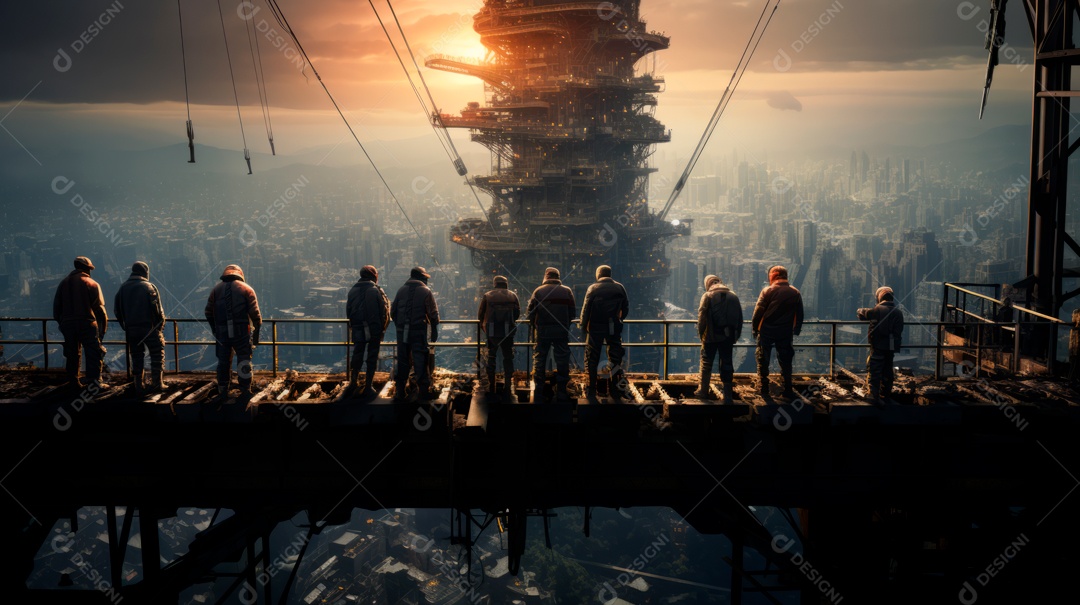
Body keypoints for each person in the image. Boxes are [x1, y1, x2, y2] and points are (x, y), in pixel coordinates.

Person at [205, 264, 262, 400]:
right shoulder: (246, 289)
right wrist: (256, 335)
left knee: (223, 361)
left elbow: (208, 312)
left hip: (222, 332)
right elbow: (256, 315)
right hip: (241, 331)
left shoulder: (216, 289)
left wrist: (215, 329)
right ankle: (245, 389)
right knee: (243, 359)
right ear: (240, 274)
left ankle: (223, 389)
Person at [53, 256, 108, 391]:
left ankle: (74, 381)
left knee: (72, 353)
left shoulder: (63, 283)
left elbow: (56, 309)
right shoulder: (91, 283)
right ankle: (94, 382)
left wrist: (62, 323)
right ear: (86, 268)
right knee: (93, 352)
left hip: (67, 325)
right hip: (87, 323)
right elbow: (100, 310)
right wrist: (102, 329)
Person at [751, 265, 804, 400]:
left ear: (773, 276)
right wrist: (796, 329)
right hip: (785, 331)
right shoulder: (795, 292)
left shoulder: (767, 291)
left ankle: (763, 387)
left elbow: (758, 312)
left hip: (767, 331)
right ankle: (787, 388)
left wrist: (755, 328)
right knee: (786, 360)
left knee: (763, 358)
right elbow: (800, 314)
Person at [114, 261, 166, 395]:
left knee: (136, 355)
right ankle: (157, 383)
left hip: (132, 329)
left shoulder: (123, 288)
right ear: (145, 272)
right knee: (157, 354)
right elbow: (157, 310)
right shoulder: (149, 287)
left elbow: (117, 310)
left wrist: (125, 326)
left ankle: (138, 384)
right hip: (149, 328)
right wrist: (160, 325)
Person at [579, 265, 629, 402]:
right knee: (615, 357)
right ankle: (614, 389)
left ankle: (592, 390)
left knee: (592, 358)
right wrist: (619, 319)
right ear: (610, 274)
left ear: (598, 275)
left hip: (596, 327)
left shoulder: (593, 288)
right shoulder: (620, 288)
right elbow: (625, 308)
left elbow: (585, 310)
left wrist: (583, 326)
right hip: (613, 326)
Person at [526, 267, 576, 403]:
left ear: (546, 277)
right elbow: (573, 313)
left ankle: (539, 391)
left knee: (540, 359)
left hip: (543, 331)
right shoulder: (567, 291)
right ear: (558, 277)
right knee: (562, 359)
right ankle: (561, 391)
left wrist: (535, 325)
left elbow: (530, 313)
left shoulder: (538, 291)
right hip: (561, 331)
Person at [391, 266, 440, 401]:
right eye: (425, 277)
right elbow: (433, 314)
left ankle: (400, 391)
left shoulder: (401, 290)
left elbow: (393, 312)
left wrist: (400, 327)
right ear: (420, 277)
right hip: (418, 331)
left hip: (402, 332)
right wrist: (434, 330)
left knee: (403, 360)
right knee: (420, 359)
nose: (426, 280)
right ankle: (423, 391)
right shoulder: (425, 291)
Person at [695, 274, 743, 402]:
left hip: (711, 337)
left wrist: (701, 336)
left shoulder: (707, 296)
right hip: (728, 337)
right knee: (727, 363)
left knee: (706, 363)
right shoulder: (733, 296)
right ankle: (728, 395)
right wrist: (735, 336)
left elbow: (702, 319)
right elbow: (740, 319)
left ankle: (702, 391)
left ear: (708, 284)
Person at [346, 265, 390, 399]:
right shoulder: (376, 290)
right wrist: (382, 328)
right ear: (374, 276)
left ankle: (353, 382)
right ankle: (368, 386)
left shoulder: (352, 290)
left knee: (357, 354)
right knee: (372, 357)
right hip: (374, 328)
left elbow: (348, 311)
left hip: (358, 328)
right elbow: (384, 311)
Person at [857, 286, 904, 405]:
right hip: (891, 347)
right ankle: (885, 395)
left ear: (879, 298)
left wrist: (861, 311)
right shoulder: (899, 313)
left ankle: (873, 395)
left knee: (875, 370)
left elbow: (863, 313)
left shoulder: (877, 310)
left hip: (878, 346)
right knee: (887, 370)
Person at [478, 275, 520, 402]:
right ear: (506, 284)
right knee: (508, 357)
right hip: (508, 331)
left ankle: (492, 386)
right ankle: (508, 385)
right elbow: (517, 314)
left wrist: (483, 327)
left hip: (492, 331)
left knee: (491, 357)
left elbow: (480, 314)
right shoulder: (513, 295)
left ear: (495, 284)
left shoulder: (488, 295)